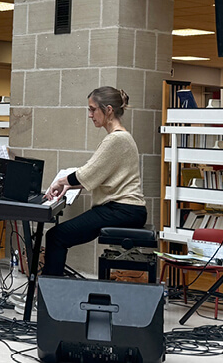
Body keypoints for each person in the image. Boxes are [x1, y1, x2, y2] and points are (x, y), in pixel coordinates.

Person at [42, 86, 147, 276]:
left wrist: (60, 182)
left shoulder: (116, 139)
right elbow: (97, 175)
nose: (90, 115)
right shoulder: (120, 137)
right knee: (57, 236)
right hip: (125, 210)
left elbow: (88, 173)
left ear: (108, 110)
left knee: (56, 236)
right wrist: (68, 184)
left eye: (92, 109)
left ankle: (49, 298)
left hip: (122, 210)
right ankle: (51, 291)